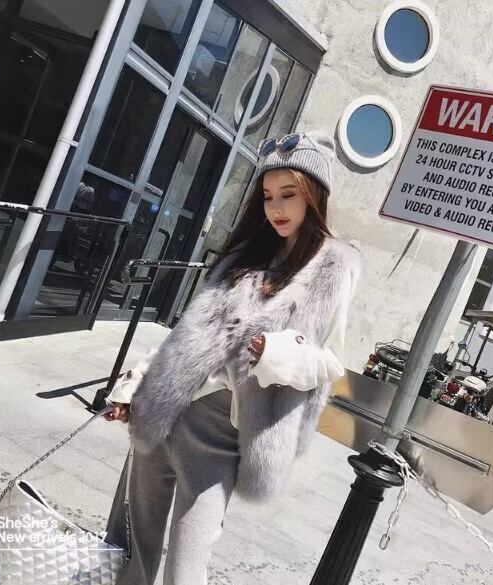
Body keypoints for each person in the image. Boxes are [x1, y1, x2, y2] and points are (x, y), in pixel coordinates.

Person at [103, 131, 361, 585]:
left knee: (186, 569)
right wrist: (135, 384)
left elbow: (329, 364)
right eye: (268, 196)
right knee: (129, 549)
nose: (276, 208)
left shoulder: (335, 268)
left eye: (289, 194)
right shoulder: (244, 256)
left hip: (221, 435)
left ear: (315, 196)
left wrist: (276, 354)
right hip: (166, 409)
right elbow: (187, 336)